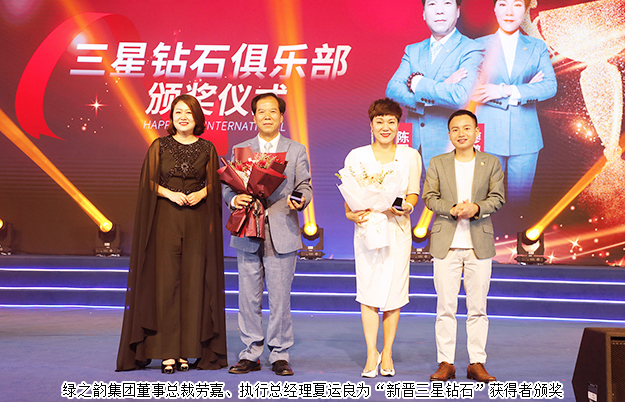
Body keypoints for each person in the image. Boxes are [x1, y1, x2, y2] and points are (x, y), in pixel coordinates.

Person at [116, 94, 227, 373]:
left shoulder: (208, 148)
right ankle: (166, 352)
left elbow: (216, 183)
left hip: (197, 221)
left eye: (188, 112)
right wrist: (170, 193)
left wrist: (202, 193)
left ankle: (186, 352)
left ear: (197, 117)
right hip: (165, 219)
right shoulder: (159, 145)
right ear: (171, 117)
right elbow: (148, 182)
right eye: (178, 112)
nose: (183, 117)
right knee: (165, 285)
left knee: (193, 284)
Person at [223, 93, 312, 376]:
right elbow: (228, 185)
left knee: (280, 297)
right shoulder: (241, 149)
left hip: (282, 229)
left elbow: (305, 186)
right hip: (247, 230)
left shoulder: (295, 150)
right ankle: (251, 352)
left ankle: (279, 353)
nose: (267, 116)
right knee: (248, 296)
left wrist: (300, 199)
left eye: (273, 111)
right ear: (253, 117)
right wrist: (233, 199)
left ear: (281, 117)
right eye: (261, 111)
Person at [422, 110, 505, 382]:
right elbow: (429, 197)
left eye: (467, 128)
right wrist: (452, 208)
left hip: (478, 242)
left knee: (478, 308)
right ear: (449, 134)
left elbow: (498, 198)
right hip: (446, 242)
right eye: (455, 129)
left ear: (476, 132)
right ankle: (445, 362)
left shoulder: (491, 163)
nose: (461, 133)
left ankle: (476, 363)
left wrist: (476, 208)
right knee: (445, 307)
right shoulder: (438, 162)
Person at [343, 98, 422, 378]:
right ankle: (371, 352)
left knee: (394, 292)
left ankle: (387, 352)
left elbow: (413, 192)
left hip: (397, 228)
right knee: (367, 290)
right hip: (367, 229)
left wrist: (407, 206)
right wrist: (351, 214)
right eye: (380, 121)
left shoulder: (410, 155)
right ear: (371, 125)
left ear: (398, 125)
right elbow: (349, 194)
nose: (385, 127)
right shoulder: (357, 156)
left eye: (391, 121)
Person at [473, 0, 556, 207]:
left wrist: (504, 90)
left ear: (525, 10)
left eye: (517, 5)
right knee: (485, 204)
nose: (509, 12)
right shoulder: (477, 46)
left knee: (520, 205)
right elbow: (473, 91)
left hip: (526, 138)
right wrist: (525, 90)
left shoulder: (537, 46)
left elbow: (549, 86)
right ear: (494, 8)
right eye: (503, 5)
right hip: (488, 135)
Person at [386, 0, 483, 170]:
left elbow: (460, 96)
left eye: (446, 3)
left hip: (448, 147)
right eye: (432, 4)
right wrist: (440, 88)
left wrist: (417, 82)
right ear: (424, 13)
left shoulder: (471, 48)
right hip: (411, 146)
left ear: (458, 11)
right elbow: (392, 89)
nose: (439, 11)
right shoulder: (413, 50)